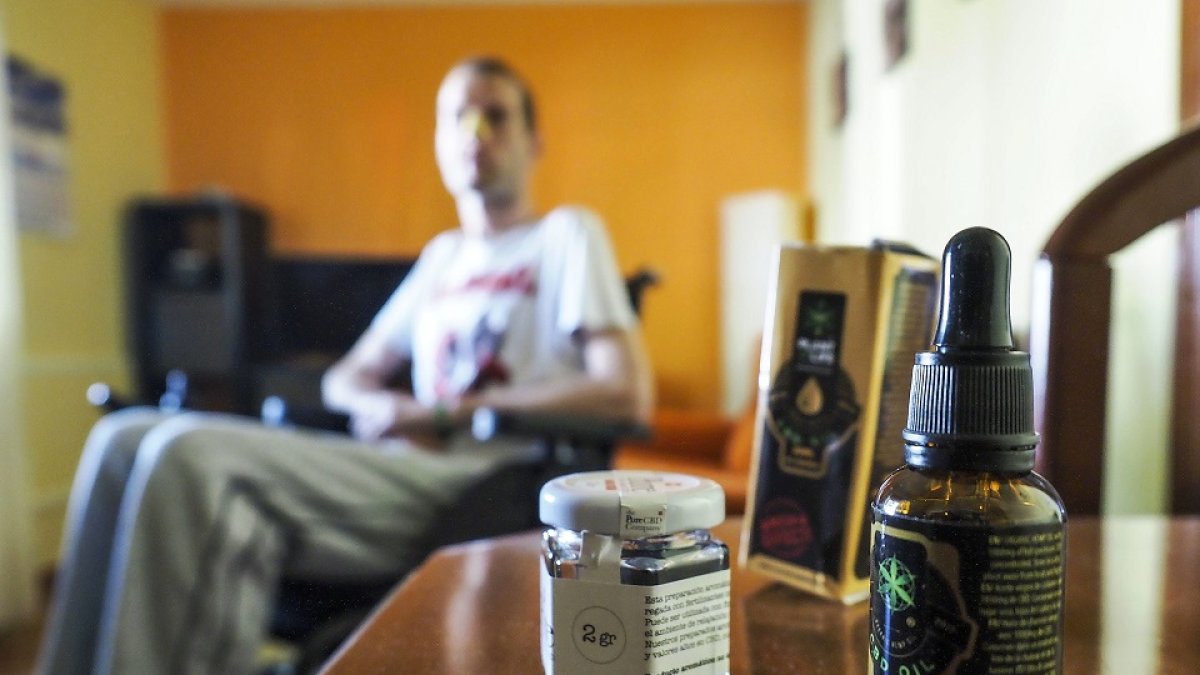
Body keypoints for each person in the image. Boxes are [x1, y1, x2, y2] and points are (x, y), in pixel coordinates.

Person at [36, 56, 654, 675]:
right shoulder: (443, 258)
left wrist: (450, 411)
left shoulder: (565, 235)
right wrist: (379, 406)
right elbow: (345, 377)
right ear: (441, 143)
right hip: (392, 465)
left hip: (482, 480)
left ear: (533, 141)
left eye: (496, 116)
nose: (477, 134)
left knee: (190, 461)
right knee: (123, 437)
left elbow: (625, 392)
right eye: (459, 119)